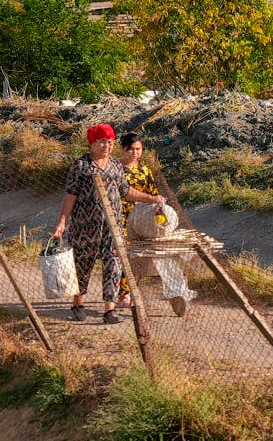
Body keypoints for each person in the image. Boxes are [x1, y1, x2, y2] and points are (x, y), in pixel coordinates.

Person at [51, 124, 128, 324]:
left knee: (113, 264)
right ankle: (78, 303)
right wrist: (62, 222)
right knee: (82, 265)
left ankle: (109, 310)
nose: (106, 146)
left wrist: (152, 199)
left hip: (112, 226)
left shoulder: (117, 165)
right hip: (85, 227)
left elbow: (126, 191)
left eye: (110, 142)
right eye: (102, 141)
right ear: (92, 143)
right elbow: (70, 195)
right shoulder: (81, 166)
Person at [120, 131, 197, 316]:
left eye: (138, 149)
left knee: (157, 251)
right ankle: (124, 293)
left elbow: (153, 192)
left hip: (144, 219)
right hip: (122, 216)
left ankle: (176, 290)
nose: (135, 153)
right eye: (131, 149)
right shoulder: (117, 169)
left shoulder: (145, 170)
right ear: (123, 149)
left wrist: (157, 204)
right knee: (126, 255)